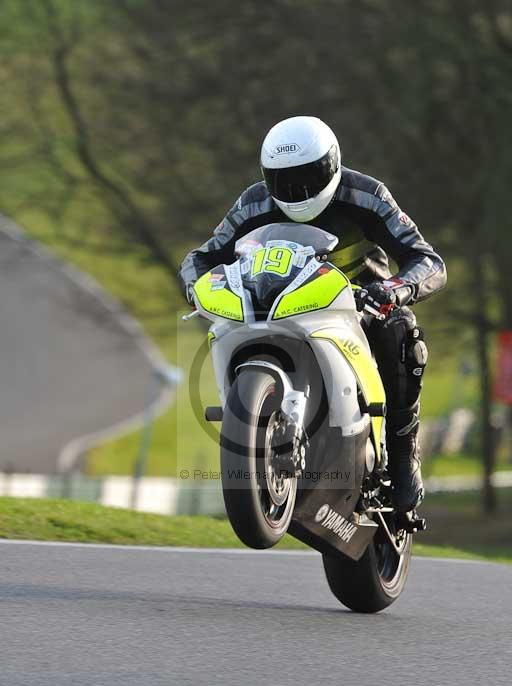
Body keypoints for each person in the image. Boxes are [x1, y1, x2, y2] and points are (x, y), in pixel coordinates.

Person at [179, 116, 446, 514]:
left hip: (358, 306)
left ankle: (404, 451)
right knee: (226, 328)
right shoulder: (253, 202)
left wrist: (396, 288)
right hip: (275, 304)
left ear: (333, 164)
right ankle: (257, 428)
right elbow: (201, 257)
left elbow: (427, 259)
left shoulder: (367, 195)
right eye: (284, 181)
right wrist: (196, 286)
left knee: (402, 333)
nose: (297, 192)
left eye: (309, 177)